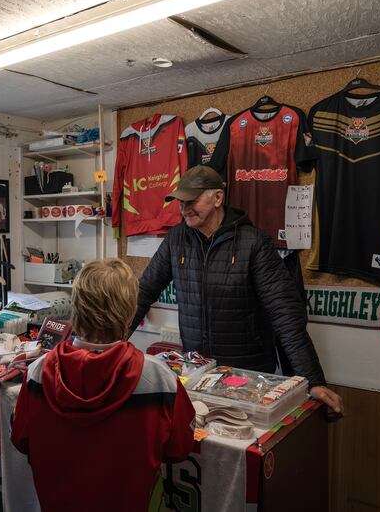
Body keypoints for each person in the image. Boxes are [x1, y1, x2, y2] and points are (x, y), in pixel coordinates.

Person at [131, 166, 343, 414]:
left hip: (248, 376)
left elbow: (285, 316)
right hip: (198, 374)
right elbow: (142, 293)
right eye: (180, 202)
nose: (184, 208)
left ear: (218, 198)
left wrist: (313, 380)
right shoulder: (176, 240)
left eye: (192, 200)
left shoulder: (253, 243)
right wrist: (109, 347)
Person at [11, 259, 195, 511]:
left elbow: (20, 440)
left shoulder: (37, 373)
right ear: (130, 314)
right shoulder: (161, 380)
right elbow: (179, 449)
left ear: (75, 308)